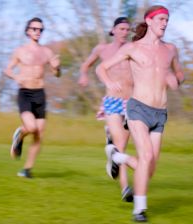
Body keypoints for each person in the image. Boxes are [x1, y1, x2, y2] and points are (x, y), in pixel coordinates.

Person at [96, 5, 184, 222]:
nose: (165, 23)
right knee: (145, 156)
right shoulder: (132, 49)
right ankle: (139, 209)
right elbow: (101, 68)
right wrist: (109, 82)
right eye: (161, 19)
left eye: (167, 20)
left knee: (149, 168)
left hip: (160, 113)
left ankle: (117, 156)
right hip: (137, 109)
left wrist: (176, 79)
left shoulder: (170, 49)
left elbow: (178, 72)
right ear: (150, 20)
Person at [78, 17, 134, 202]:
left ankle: (112, 154)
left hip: (130, 101)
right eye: (122, 29)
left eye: (127, 29)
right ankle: (125, 187)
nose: (125, 32)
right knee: (119, 142)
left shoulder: (133, 48)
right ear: (113, 30)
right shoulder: (102, 49)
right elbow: (86, 65)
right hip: (112, 100)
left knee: (122, 146)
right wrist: (84, 75)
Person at [3, 17, 61, 178]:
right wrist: (16, 78)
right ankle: (20, 134)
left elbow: (57, 74)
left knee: (39, 133)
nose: (38, 32)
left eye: (41, 29)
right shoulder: (20, 51)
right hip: (25, 94)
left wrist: (57, 68)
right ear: (28, 31)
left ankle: (27, 169)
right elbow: (7, 69)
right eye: (35, 29)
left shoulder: (47, 52)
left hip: (39, 93)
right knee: (31, 127)